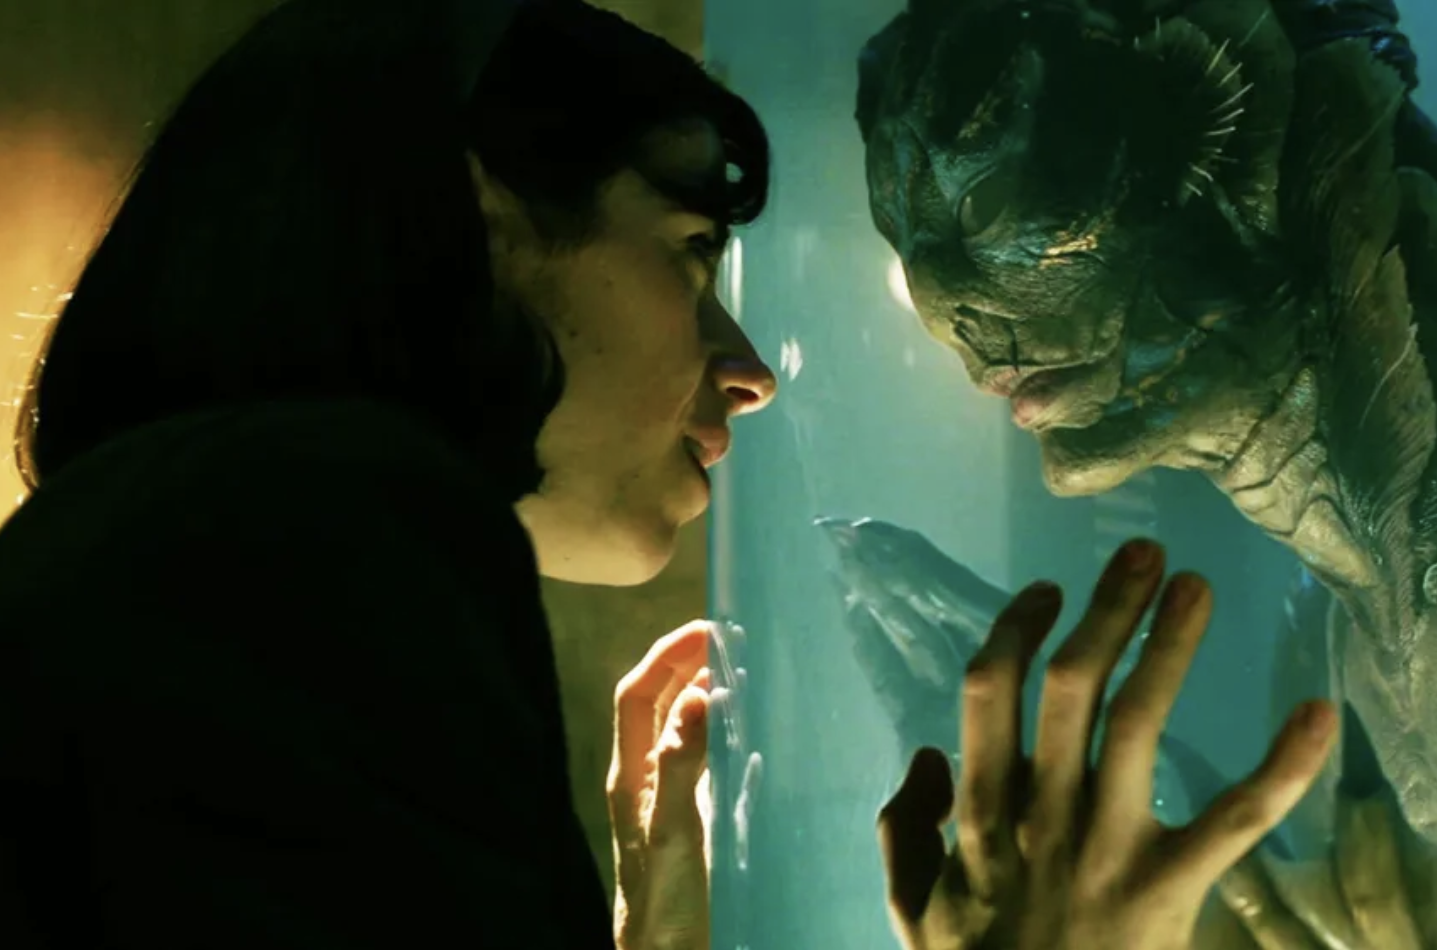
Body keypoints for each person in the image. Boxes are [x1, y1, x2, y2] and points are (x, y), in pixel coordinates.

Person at [0, 2, 1336, 948]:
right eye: (691, 247)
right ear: (479, 225)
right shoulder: (311, 522)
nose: (746, 368)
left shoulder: (178, 556)